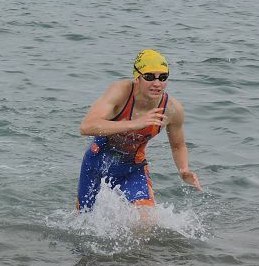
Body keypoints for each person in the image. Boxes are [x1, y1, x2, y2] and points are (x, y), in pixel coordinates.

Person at [77, 48, 200, 210]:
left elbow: (178, 145)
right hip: (97, 163)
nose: (157, 83)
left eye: (163, 77)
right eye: (149, 77)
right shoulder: (120, 92)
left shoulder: (171, 109)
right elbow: (86, 126)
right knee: (84, 220)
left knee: (147, 221)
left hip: (132, 168)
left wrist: (183, 170)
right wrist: (134, 124)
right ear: (137, 78)